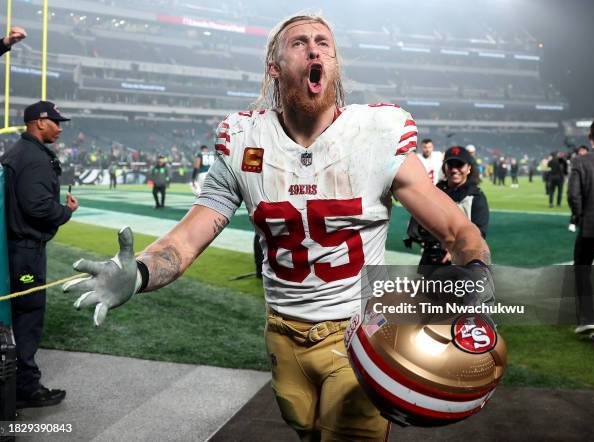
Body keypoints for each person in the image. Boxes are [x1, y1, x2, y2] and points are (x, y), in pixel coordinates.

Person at [63, 14, 493, 440]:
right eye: (300, 42)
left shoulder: (376, 134)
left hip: (359, 330)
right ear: (275, 66)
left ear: (334, 64)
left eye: (324, 43)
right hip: (282, 333)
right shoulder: (244, 140)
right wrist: (139, 272)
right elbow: (189, 236)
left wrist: (475, 273)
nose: (314, 49)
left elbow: (458, 231)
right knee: (304, 429)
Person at [0, 101, 78, 408]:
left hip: (15, 247)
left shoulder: (19, 152)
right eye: (56, 122)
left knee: (18, 317)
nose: (60, 128)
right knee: (28, 318)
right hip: (27, 250)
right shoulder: (33, 157)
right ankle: (25, 388)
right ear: (38, 122)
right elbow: (38, 207)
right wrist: (65, 211)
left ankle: (14, 384)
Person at [407, 146, 489, 272]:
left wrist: (454, 250)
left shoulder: (475, 197)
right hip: (431, 260)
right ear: (445, 168)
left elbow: (479, 235)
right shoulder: (433, 192)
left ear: (469, 168)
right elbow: (416, 226)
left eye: (460, 165)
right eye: (450, 165)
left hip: (462, 263)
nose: (454, 170)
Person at [567, 119, 594, 348]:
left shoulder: (580, 161)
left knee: (582, 270)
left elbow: (574, 195)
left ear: (589, 137)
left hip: (589, 228)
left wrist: (579, 216)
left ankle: (587, 318)